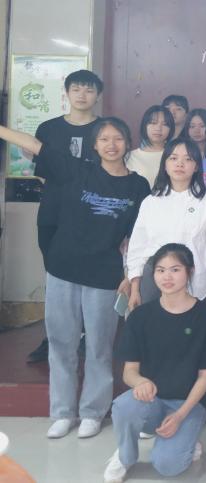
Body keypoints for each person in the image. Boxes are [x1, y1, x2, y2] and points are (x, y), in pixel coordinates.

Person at [0, 118, 150, 439]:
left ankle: (93, 412)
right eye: (104, 139)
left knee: (99, 347)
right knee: (61, 343)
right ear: (94, 145)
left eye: (118, 138)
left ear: (128, 143)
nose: (111, 145)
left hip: (105, 276)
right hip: (63, 270)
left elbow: (137, 237)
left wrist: (129, 276)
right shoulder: (76, 170)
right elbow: (34, 144)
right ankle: (63, 412)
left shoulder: (138, 187)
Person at [104, 244, 206, 482]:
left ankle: (186, 439)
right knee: (123, 406)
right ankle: (125, 456)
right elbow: (129, 372)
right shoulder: (141, 316)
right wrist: (140, 382)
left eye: (175, 269)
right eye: (160, 270)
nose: (167, 277)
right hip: (152, 401)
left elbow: (205, 376)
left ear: (189, 272)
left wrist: (180, 415)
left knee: (168, 466)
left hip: (188, 404)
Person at [27, 69, 104, 365]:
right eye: (76, 89)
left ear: (98, 95)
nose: (82, 95)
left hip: (91, 216)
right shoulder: (48, 129)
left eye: (89, 89)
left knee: (87, 275)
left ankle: (84, 336)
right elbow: (42, 173)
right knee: (55, 276)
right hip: (53, 214)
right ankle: (53, 338)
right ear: (67, 93)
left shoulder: (105, 129)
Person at [125, 139, 206, 310]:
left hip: (197, 279)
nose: (180, 164)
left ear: (196, 166)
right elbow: (137, 247)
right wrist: (135, 288)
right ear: (165, 165)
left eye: (188, 159)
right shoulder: (151, 201)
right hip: (154, 280)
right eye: (173, 158)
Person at [127, 105, 174, 188]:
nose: (158, 128)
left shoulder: (175, 156)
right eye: (153, 123)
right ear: (144, 126)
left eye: (165, 124)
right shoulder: (129, 156)